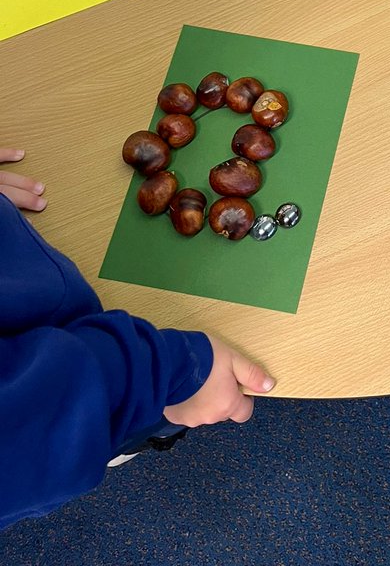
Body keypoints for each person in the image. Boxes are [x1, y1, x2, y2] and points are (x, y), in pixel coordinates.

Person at [0, 146, 275, 531]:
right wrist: (174, 371)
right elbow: (20, 426)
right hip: (89, 382)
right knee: (112, 418)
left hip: (77, 339)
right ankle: (127, 427)